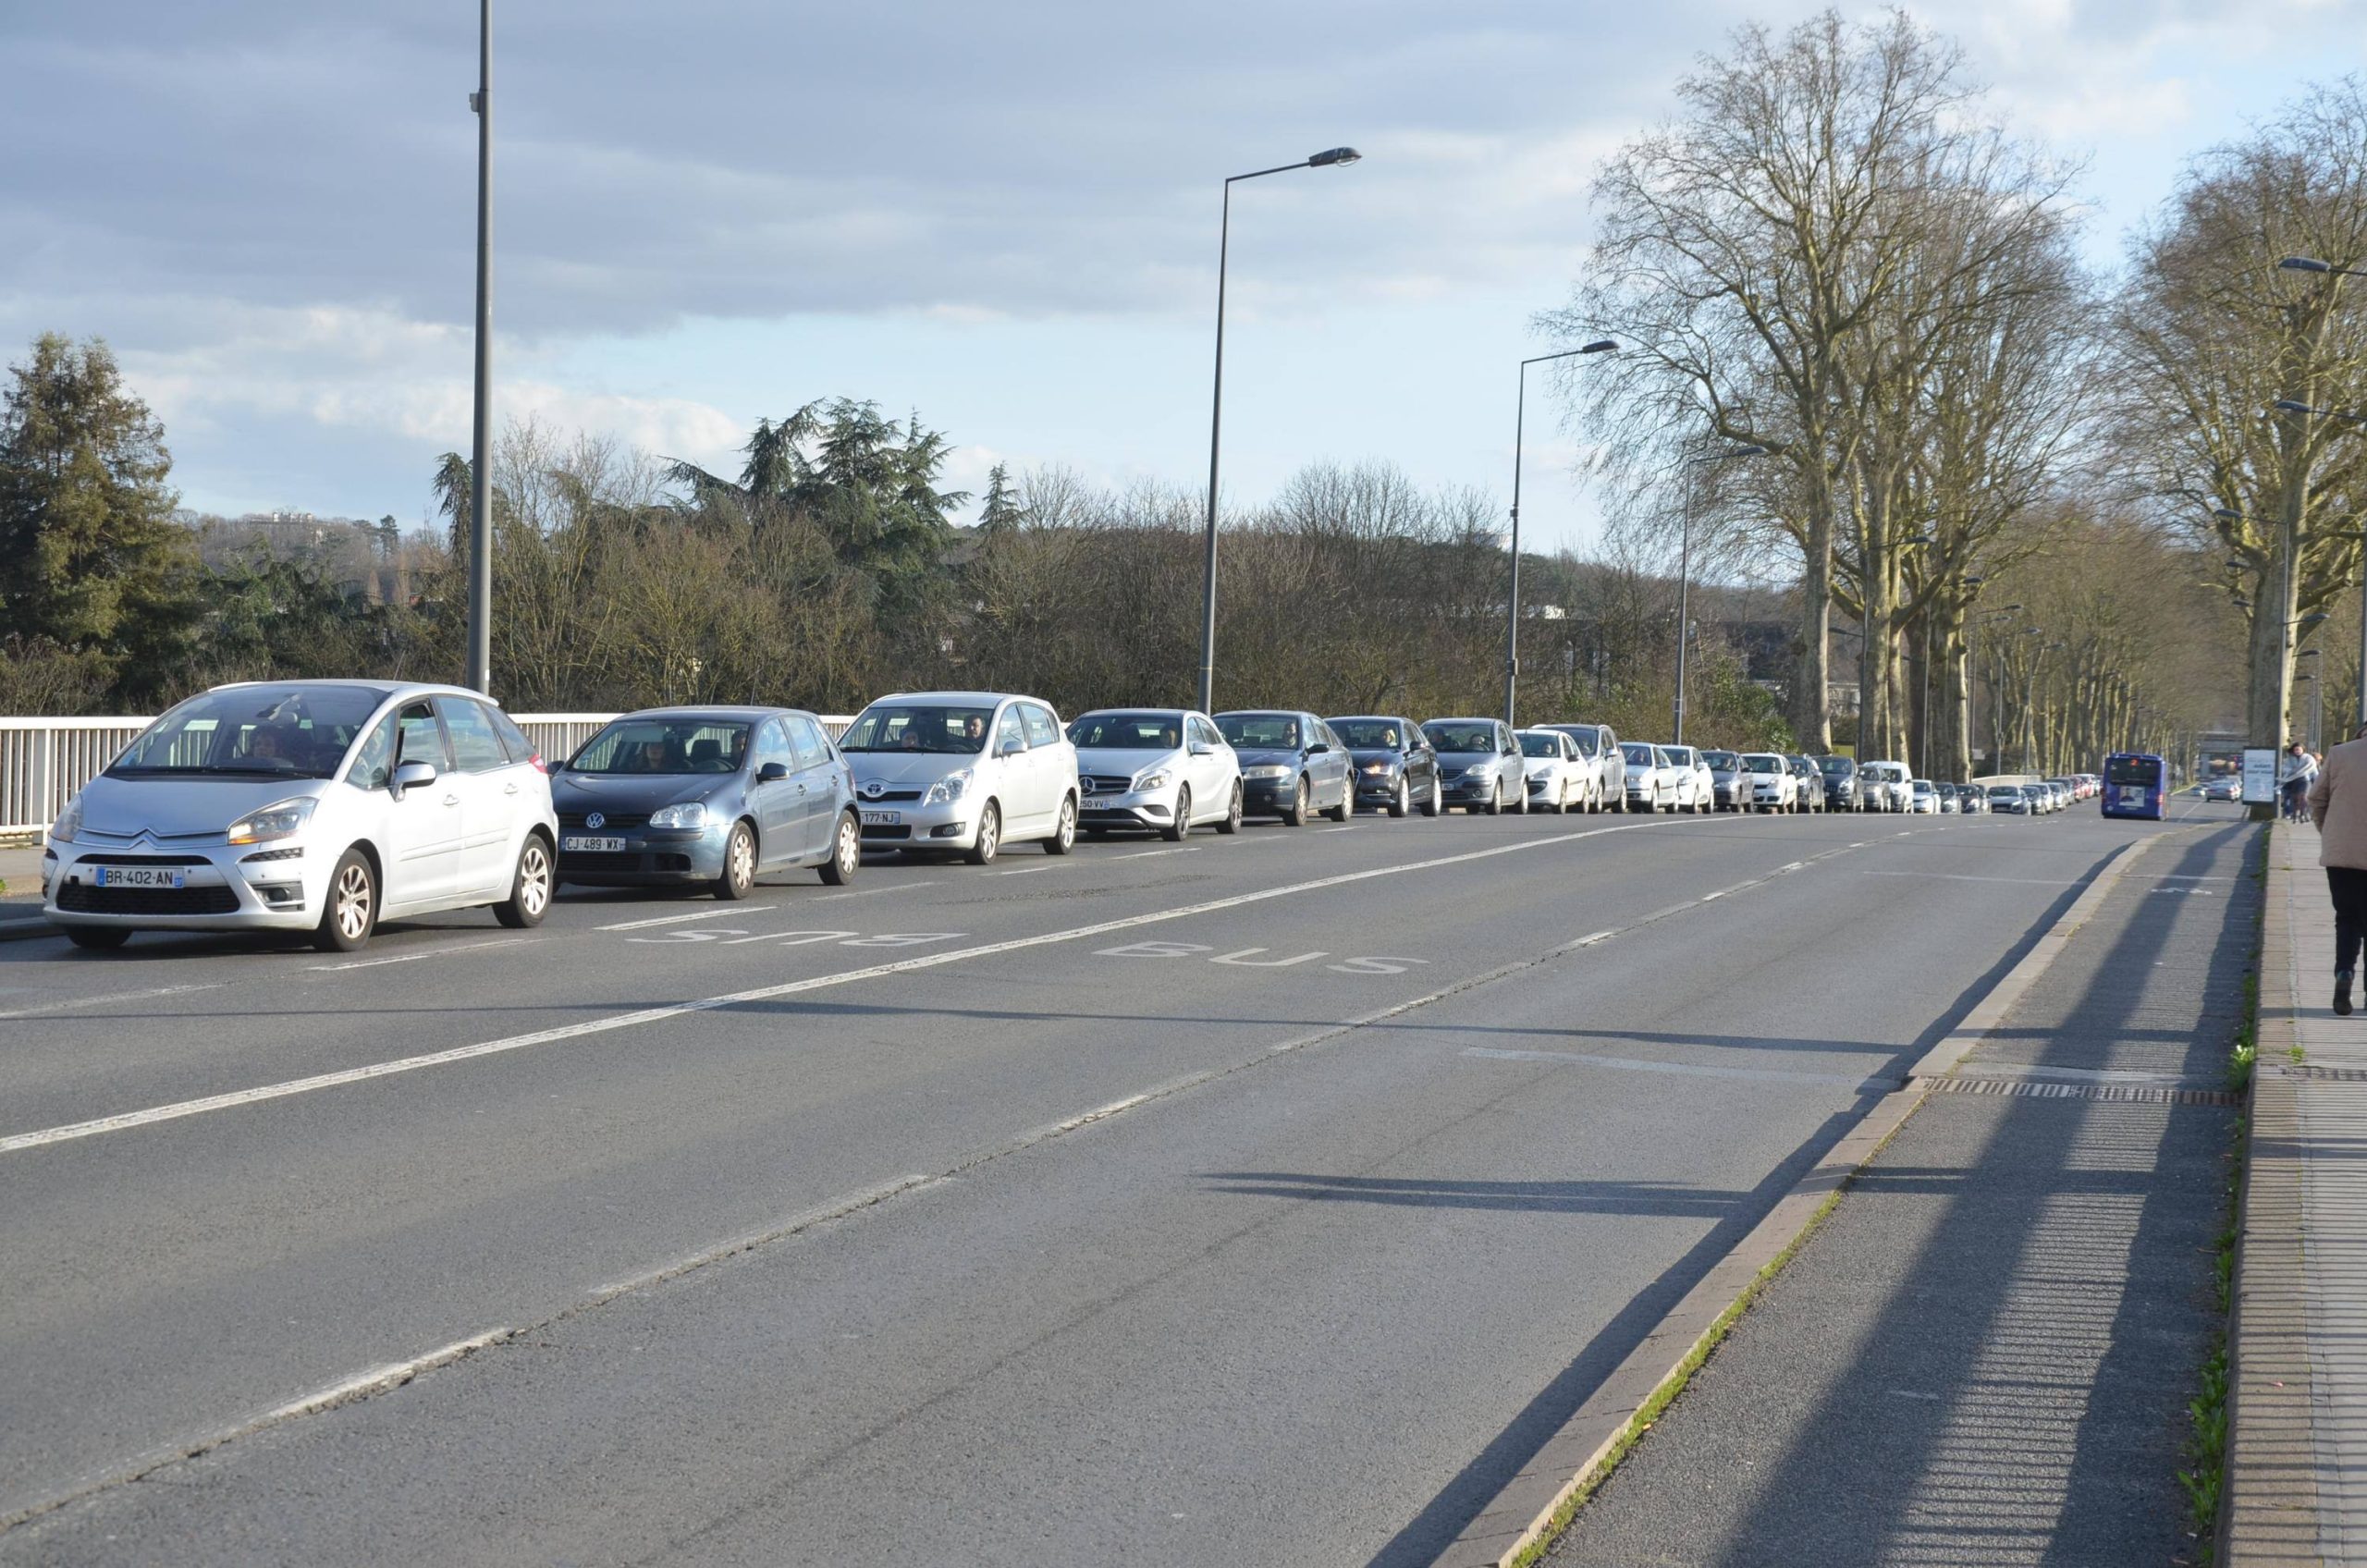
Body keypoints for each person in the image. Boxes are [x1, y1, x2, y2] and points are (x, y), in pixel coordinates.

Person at [2309, 723, 2367, 1015]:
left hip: (2342, 855)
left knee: (2347, 919)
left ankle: (2344, 974)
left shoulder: (2339, 753)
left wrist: (2330, 834)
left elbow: (2316, 799)